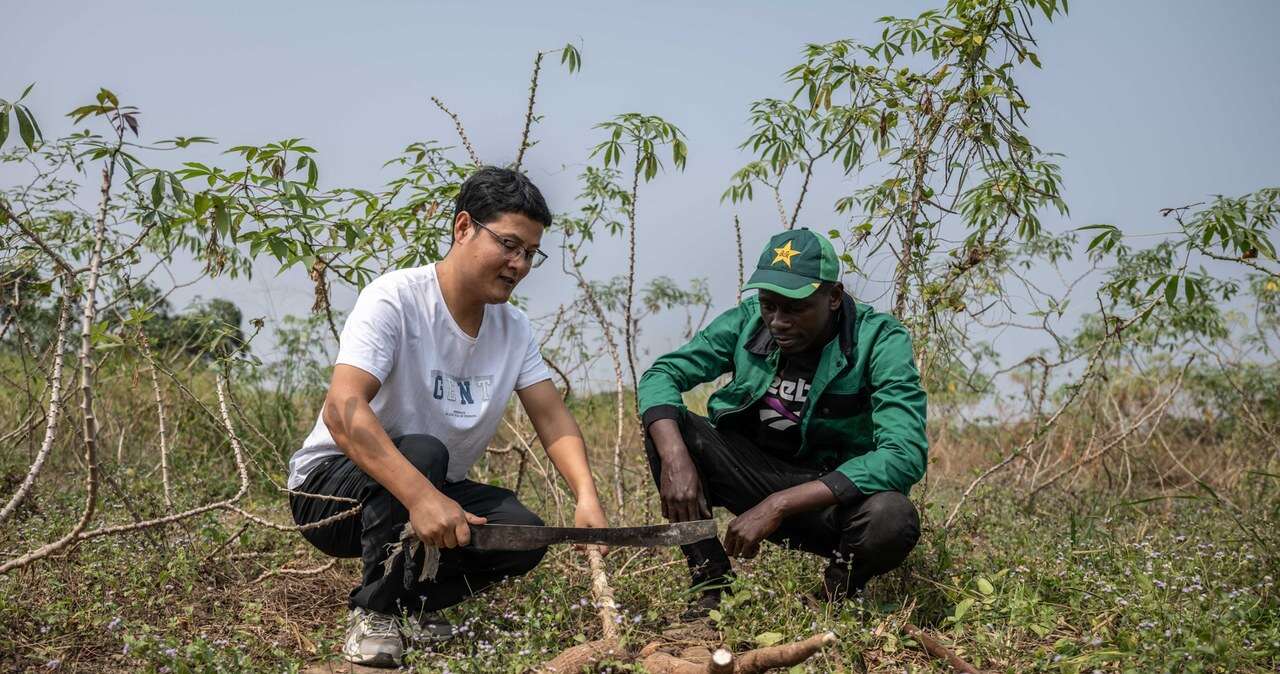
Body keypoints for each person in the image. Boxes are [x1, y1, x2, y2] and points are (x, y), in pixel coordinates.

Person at [287, 167, 608, 668]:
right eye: (508, 244)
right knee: (422, 452)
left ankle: (412, 605)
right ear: (463, 228)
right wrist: (420, 496)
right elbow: (343, 409)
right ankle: (374, 615)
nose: (518, 264)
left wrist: (586, 497)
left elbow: (553, 417)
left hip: (427, 486)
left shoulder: (514, 328)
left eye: (529, 254)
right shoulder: (395, 298)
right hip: (329, 492)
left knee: (522, 534)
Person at [637, 227, 927, 617]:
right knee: (670, 429)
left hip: (828, 497)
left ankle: (832, 600)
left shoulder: (880, 340)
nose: (777, 321)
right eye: (769, 305)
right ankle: (712, 585)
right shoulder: (747, 322)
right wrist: (674, 458)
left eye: (794, 308)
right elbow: (662, 376)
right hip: (753, 474)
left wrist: (779, 505)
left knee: (892, 517)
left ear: (834, 297)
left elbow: (903, 454)